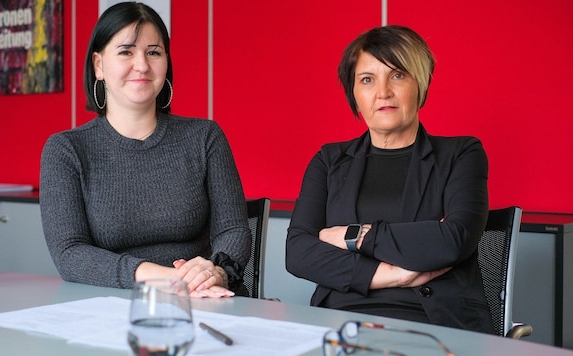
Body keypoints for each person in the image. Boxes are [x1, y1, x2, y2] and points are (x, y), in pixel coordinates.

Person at [285, 25, 494, 333]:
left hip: (433, 324)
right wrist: (394, 274)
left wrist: (354, 237)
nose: (383, 92)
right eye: (367, 80)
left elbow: (454, 239)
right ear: (353, 93)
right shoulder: (329, 160)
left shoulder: (461, 154)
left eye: (397, 75)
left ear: (420, 84)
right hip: (341, 321)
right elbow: (298, 252)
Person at [40, 2, 251, 298]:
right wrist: (172, 279)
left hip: (204, 300)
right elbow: (70, 253)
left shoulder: (205, 136)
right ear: (98, 65)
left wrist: (214, 272)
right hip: (107, 307)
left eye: (154, 52)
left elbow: (234, 230)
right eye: (126, 51)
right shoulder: (67, 150)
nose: (142, 65)